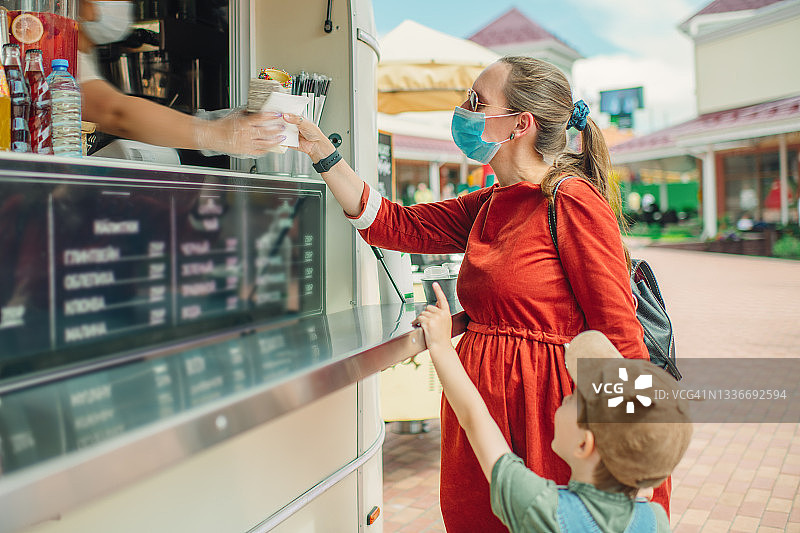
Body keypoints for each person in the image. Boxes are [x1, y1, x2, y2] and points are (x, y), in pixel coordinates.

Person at [284, 55, 668, 532]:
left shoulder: (571, 200)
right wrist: (321, 151)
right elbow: (394, 224)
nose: (464, 110)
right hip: (482, 421)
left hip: (545, 420)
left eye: (477, 101)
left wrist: (640, 471)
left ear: (520, 124)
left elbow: (621, 336)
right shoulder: (488, 203)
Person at [414, 285, 692, 532]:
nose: (566, 397)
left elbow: (475, 418)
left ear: (584, 443)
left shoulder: (540, 507)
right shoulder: (654, 519)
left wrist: (440, 344)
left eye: (575, 397)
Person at [77, 0, 284, 156]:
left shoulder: (86, 56)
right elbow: (112, 112)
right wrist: (215, 134)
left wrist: (227, 124)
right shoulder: (64, 53)